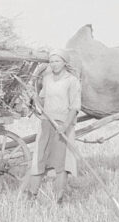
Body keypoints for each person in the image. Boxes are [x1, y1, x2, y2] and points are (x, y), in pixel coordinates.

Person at [26, 48, 82, 204]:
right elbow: (43, 100)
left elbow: (74, 107)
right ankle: (31, 196)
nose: (54, 64)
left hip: (63, 125)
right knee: (40, 158)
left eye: (57, 61)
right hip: (46, 123)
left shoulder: (72, 81)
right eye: (51, 61)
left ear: (65, 62)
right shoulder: (47, 79)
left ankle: (58, 199)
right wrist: (35, 98)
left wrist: (64, 126)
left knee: (62, 163)